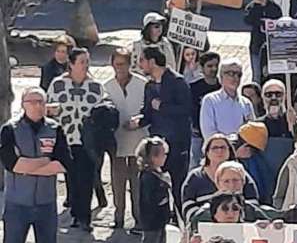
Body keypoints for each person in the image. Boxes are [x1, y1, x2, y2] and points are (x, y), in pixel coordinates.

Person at [0, 87, 70, 243]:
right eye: (33, 102)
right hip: (17, 206)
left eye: (41, 101)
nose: (39, 106)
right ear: (23, 104)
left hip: (46, 206)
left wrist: (31, 165)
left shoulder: (54, 128)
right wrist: (43, 163)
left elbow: (63, 163)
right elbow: (12, 164)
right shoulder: (10, 129)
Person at [46, 47, 109, 229]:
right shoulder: (58, 85)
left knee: (87, 178)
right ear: (71, 64)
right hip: (65, 138)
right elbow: (48, 108)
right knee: (72, 178)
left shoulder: (95, 87)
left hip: (87, 140)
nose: (85, 65)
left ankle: (85, 218)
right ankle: (75, 212)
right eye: (81, 62)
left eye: (87, 61)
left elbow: (103, 110)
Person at [140, 45, 192, 215]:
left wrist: (162, 106)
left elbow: (186, 110)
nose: (140, 65)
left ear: (152, 62)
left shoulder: (177, 81)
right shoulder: (149, 85)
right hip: (157, 144)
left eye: (142, 60)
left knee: (177, 184)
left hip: (176, 144)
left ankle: (179, 218)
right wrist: (137, 121)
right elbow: (148, 112)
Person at [104, 48, 149, 231]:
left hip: (139, 140)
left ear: (130, 64)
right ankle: (119, 216)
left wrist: (138, 121)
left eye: (123, 64)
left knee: (137, 182)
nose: (119, 68)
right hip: (118, 142)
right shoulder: (106, 86)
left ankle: (139, 218)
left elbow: (149, 110)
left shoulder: (143, 84)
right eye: (116, 64)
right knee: (118, 181)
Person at [136, 137, 172, 243]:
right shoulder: (148, 177)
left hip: (160, 221)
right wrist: (164, 188)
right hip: (151, 222)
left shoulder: (157, 174)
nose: (165, 157)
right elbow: (152, 199)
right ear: (153, 157)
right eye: (162, 154)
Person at [199, 60, 253, 140]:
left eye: (239, 74)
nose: (236, 78)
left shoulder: (246, 103)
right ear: (221, 76)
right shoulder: (210, 100)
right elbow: (209, 134)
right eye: (231, 74)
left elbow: (253, 131)